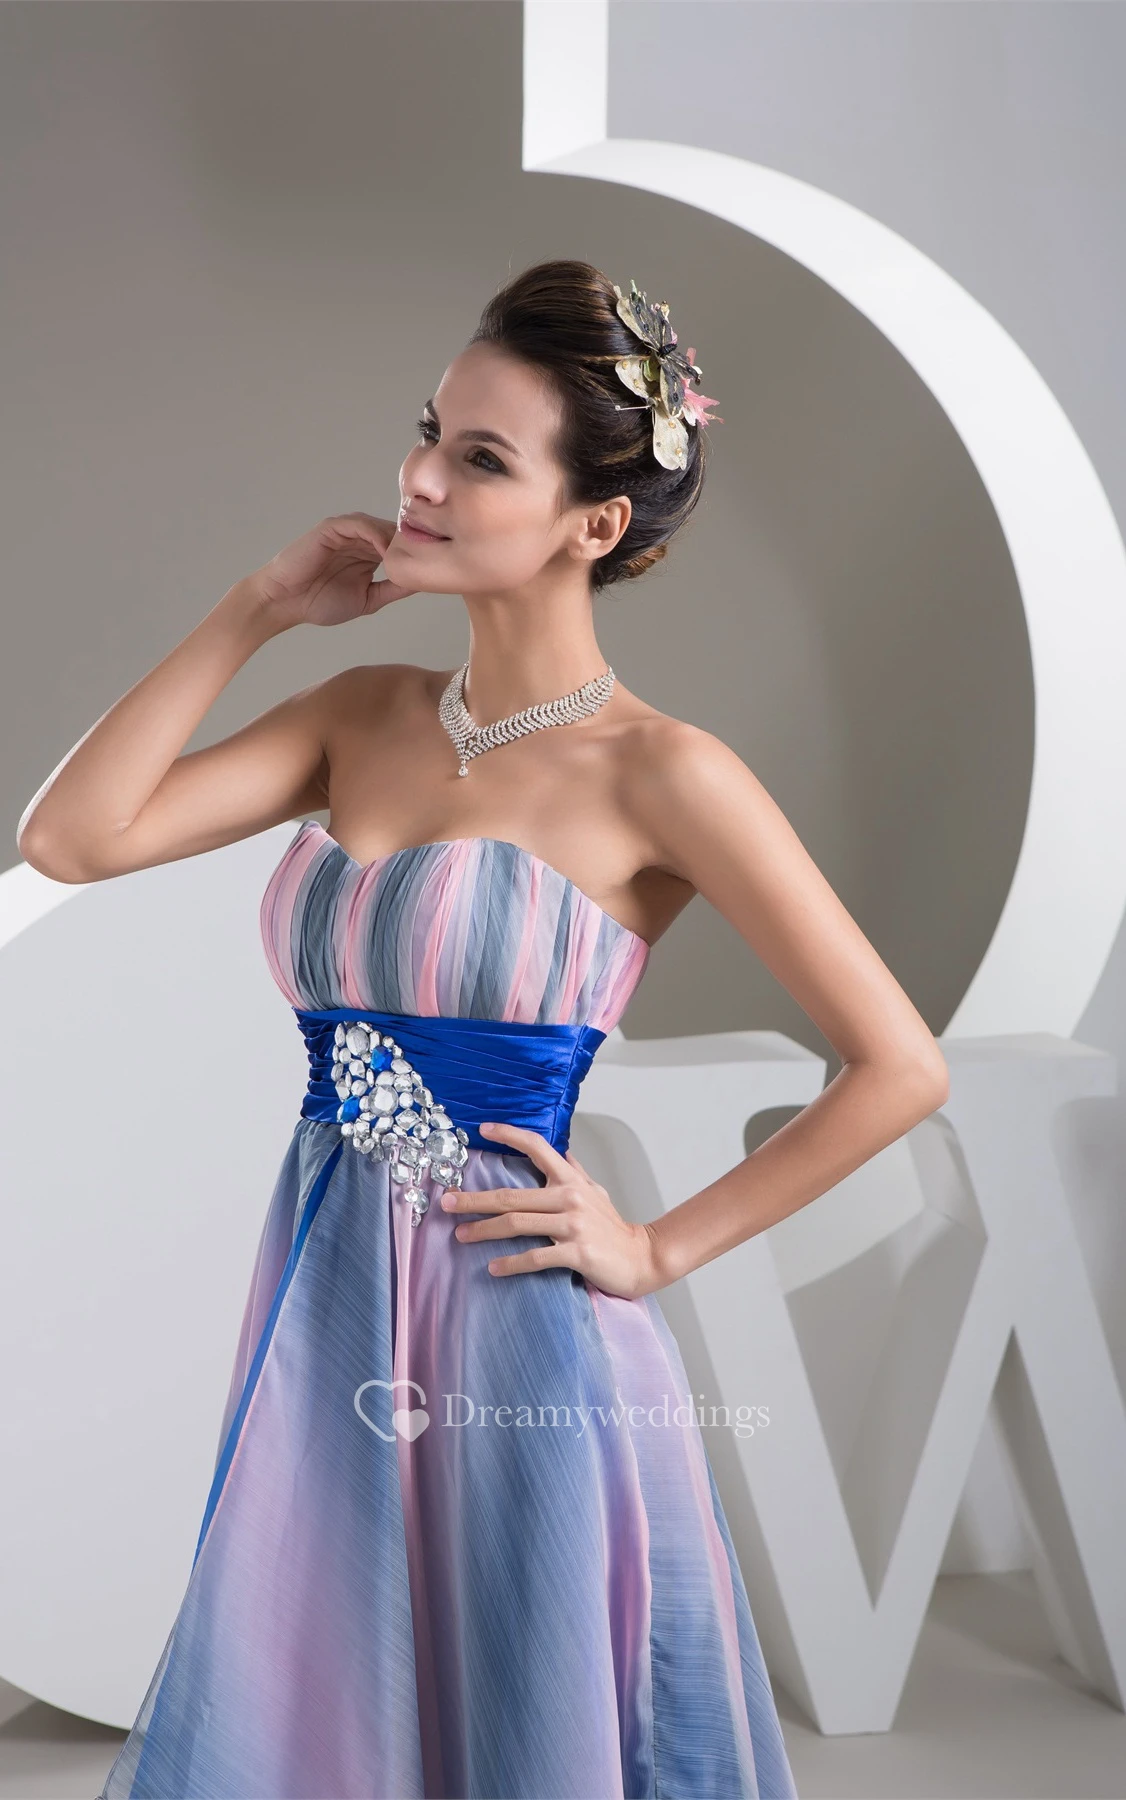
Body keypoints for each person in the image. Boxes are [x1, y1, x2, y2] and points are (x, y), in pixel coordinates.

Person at [20, 258, 948, 1800]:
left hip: (513, 1318)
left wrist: (652, 1249)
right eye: (427, 433)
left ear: (593, 524)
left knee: (522, 1713)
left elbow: (898, 1067)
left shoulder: (665, 775)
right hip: (325, 1295)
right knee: (319, 1702)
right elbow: (73, 840)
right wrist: (257, 609)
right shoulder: (359, 716)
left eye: (482, 459)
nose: (421, 480)